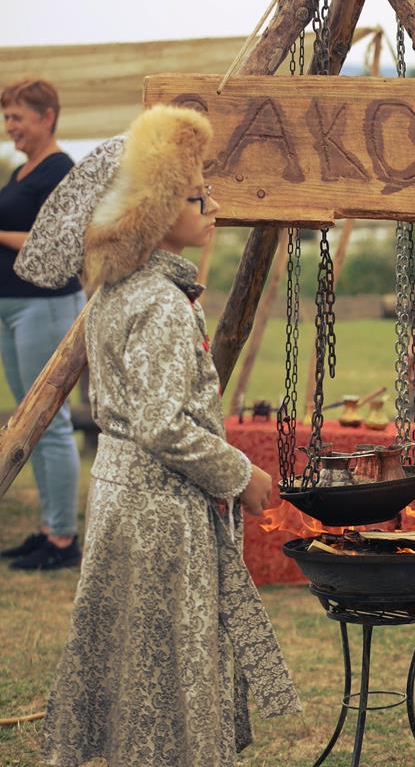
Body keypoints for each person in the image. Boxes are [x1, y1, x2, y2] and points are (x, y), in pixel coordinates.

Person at [17, 105, 300, 766]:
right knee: (167, 658)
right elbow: (162, 424)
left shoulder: (121, 290)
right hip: (159, 515)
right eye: (197, 196)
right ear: (155, 210)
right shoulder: (161, 305)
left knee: (133, 654)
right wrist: (241, 475)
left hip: (123, 502)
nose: (212, 206)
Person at [0, 78, 86, 571]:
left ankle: (62, 539)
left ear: (47, 116)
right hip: (14, 306)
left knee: (48, 424)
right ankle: (49, 527)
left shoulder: (60, 170)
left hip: (45, 306)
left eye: (17, 117)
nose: (9, 126)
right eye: (7, 118)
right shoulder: (21, 170)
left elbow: (58, 242)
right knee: (25, 423)